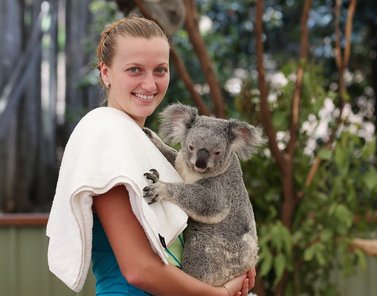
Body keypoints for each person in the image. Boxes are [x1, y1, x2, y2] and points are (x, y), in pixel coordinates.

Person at [46, 16, 255, 296]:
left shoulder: (140, 141)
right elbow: (139, 270)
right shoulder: (106, 137)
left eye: (160, 70)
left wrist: (232, 268)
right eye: (134, 70)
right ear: (106, 73)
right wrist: (221, 294)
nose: (149, 83)